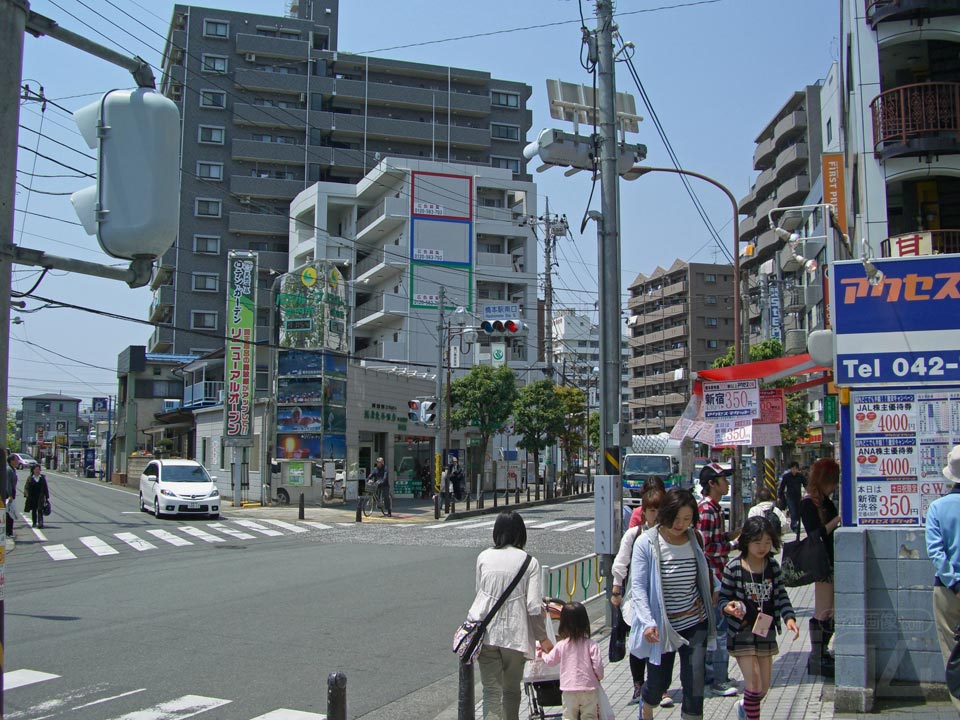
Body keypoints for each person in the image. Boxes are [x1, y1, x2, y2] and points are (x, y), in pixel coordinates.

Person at [630, 488, 717, 720]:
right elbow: (638, 587)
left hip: (695, 619)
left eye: (687, 519)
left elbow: (704, 571)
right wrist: (648, 622)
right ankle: (647, 702)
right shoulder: (646, 543)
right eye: (676, 518)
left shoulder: (695, 538)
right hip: (662, 625)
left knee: (695, 681)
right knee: (658, 684)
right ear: (665, 513)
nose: (681, 524)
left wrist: (717, 590)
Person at [468, 511, 552, 720]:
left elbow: (480, 593)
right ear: (521, 534)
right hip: (515, 635)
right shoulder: (529, 562)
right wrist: (543, 638)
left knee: (491, 692)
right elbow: (533, 606)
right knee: (511, 691)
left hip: (486, 634)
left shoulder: (483, 557)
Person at [719, 516, 800, 720]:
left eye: (767, 542)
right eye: (757, 542)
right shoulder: (733, 567)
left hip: (765, 631)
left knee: (763, 688)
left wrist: (789, 618)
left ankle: (744, 706)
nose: (762, 548)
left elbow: (781, 595)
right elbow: (723, 600)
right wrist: (729, 608)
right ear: (746, 541)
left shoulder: (772, 566)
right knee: (754, 685)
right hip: (741, 633)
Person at [611, 488, 673, 707]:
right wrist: (616, 590)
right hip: (637, 597)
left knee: (662, 641)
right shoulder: (634, 534)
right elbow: (621, 563)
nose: (656, 514)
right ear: (644, 511)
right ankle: (639, 684)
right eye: (651, 510)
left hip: (663, 597)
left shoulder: (670, 535)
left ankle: (661, 687)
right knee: (638, 642)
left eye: (659, 510)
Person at [697, 462, 740, 698]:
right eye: (723, 479)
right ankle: (717, 680)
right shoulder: (706, 510)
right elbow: (706, 548)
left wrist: (729, 537)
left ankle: (713, 676)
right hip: (713, 579)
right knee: (719, 632)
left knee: (717, 631)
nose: (727, 483)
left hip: (718, 575)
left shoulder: (713, 508)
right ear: (712, 484)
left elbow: (714, 540)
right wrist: (733, 544)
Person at [925, 445, 960, 714]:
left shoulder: (937, 507)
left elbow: (935, 552)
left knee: (951, 653)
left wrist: (954, 583)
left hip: (948, 591)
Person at [799, 457, 841, 677]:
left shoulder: (825, 500)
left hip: (831, 559)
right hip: (821, 562)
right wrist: (837, 520)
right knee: (823, 610)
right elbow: (816, 534)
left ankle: (822, 653)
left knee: (830, 609)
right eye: (833, 481)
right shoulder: (809, 503)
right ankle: (817, 657)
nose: (834, 486)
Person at [540, 601, 604, 720]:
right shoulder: (592, 645)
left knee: (569, 716)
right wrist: (598, 677)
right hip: (588, 688)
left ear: (563, 624)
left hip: (568, 689)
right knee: (589, 716)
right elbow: (598, 666)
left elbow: (550, 661)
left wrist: (542, 654)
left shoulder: (562, 645)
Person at [778, 462, 805, 538]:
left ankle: (797, 525)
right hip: (790, 497)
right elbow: (782, 487)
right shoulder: (787, 476)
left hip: (798, 497)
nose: (794, 470)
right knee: (793, 511)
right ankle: (794, 526)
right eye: (793, 468)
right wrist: (780, 496)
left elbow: (805, 484)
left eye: (795, 468)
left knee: (798, 512)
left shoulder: (800, 476)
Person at [23, 464, 50, 529]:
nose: (37, 471)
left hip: (40, 496)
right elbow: (26, 487)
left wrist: (47, 497)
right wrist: (26, 494)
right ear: (33, 470)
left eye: (38, 469)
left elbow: (45, 487)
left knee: (40, 509)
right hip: (32, 496)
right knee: (34, 510)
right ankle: (34, 522)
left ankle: (40, 523)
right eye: (36, 469)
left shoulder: (42, 478)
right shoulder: (30, 478)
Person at [4, 451, 19, 538]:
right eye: (16, 460)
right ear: (11, 461)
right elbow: (8, 484)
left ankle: (9, 532)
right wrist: (10, 495)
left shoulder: (13, 469)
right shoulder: (9, 470)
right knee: (9, 512)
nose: (17, 461)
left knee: (11, 512)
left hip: (12, 493)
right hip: (8, 494)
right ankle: (8, 532)